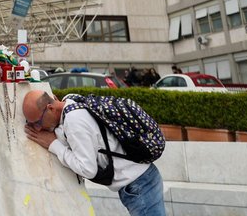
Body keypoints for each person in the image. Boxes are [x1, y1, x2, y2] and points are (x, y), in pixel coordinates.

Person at [23, 90, 165, 215]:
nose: (38, 128)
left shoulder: (74, 121)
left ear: (51, 108)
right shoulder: (71, 101)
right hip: (141, 178)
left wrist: (53, 145)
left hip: (139, 184)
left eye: (38, 122)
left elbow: (88, 169)